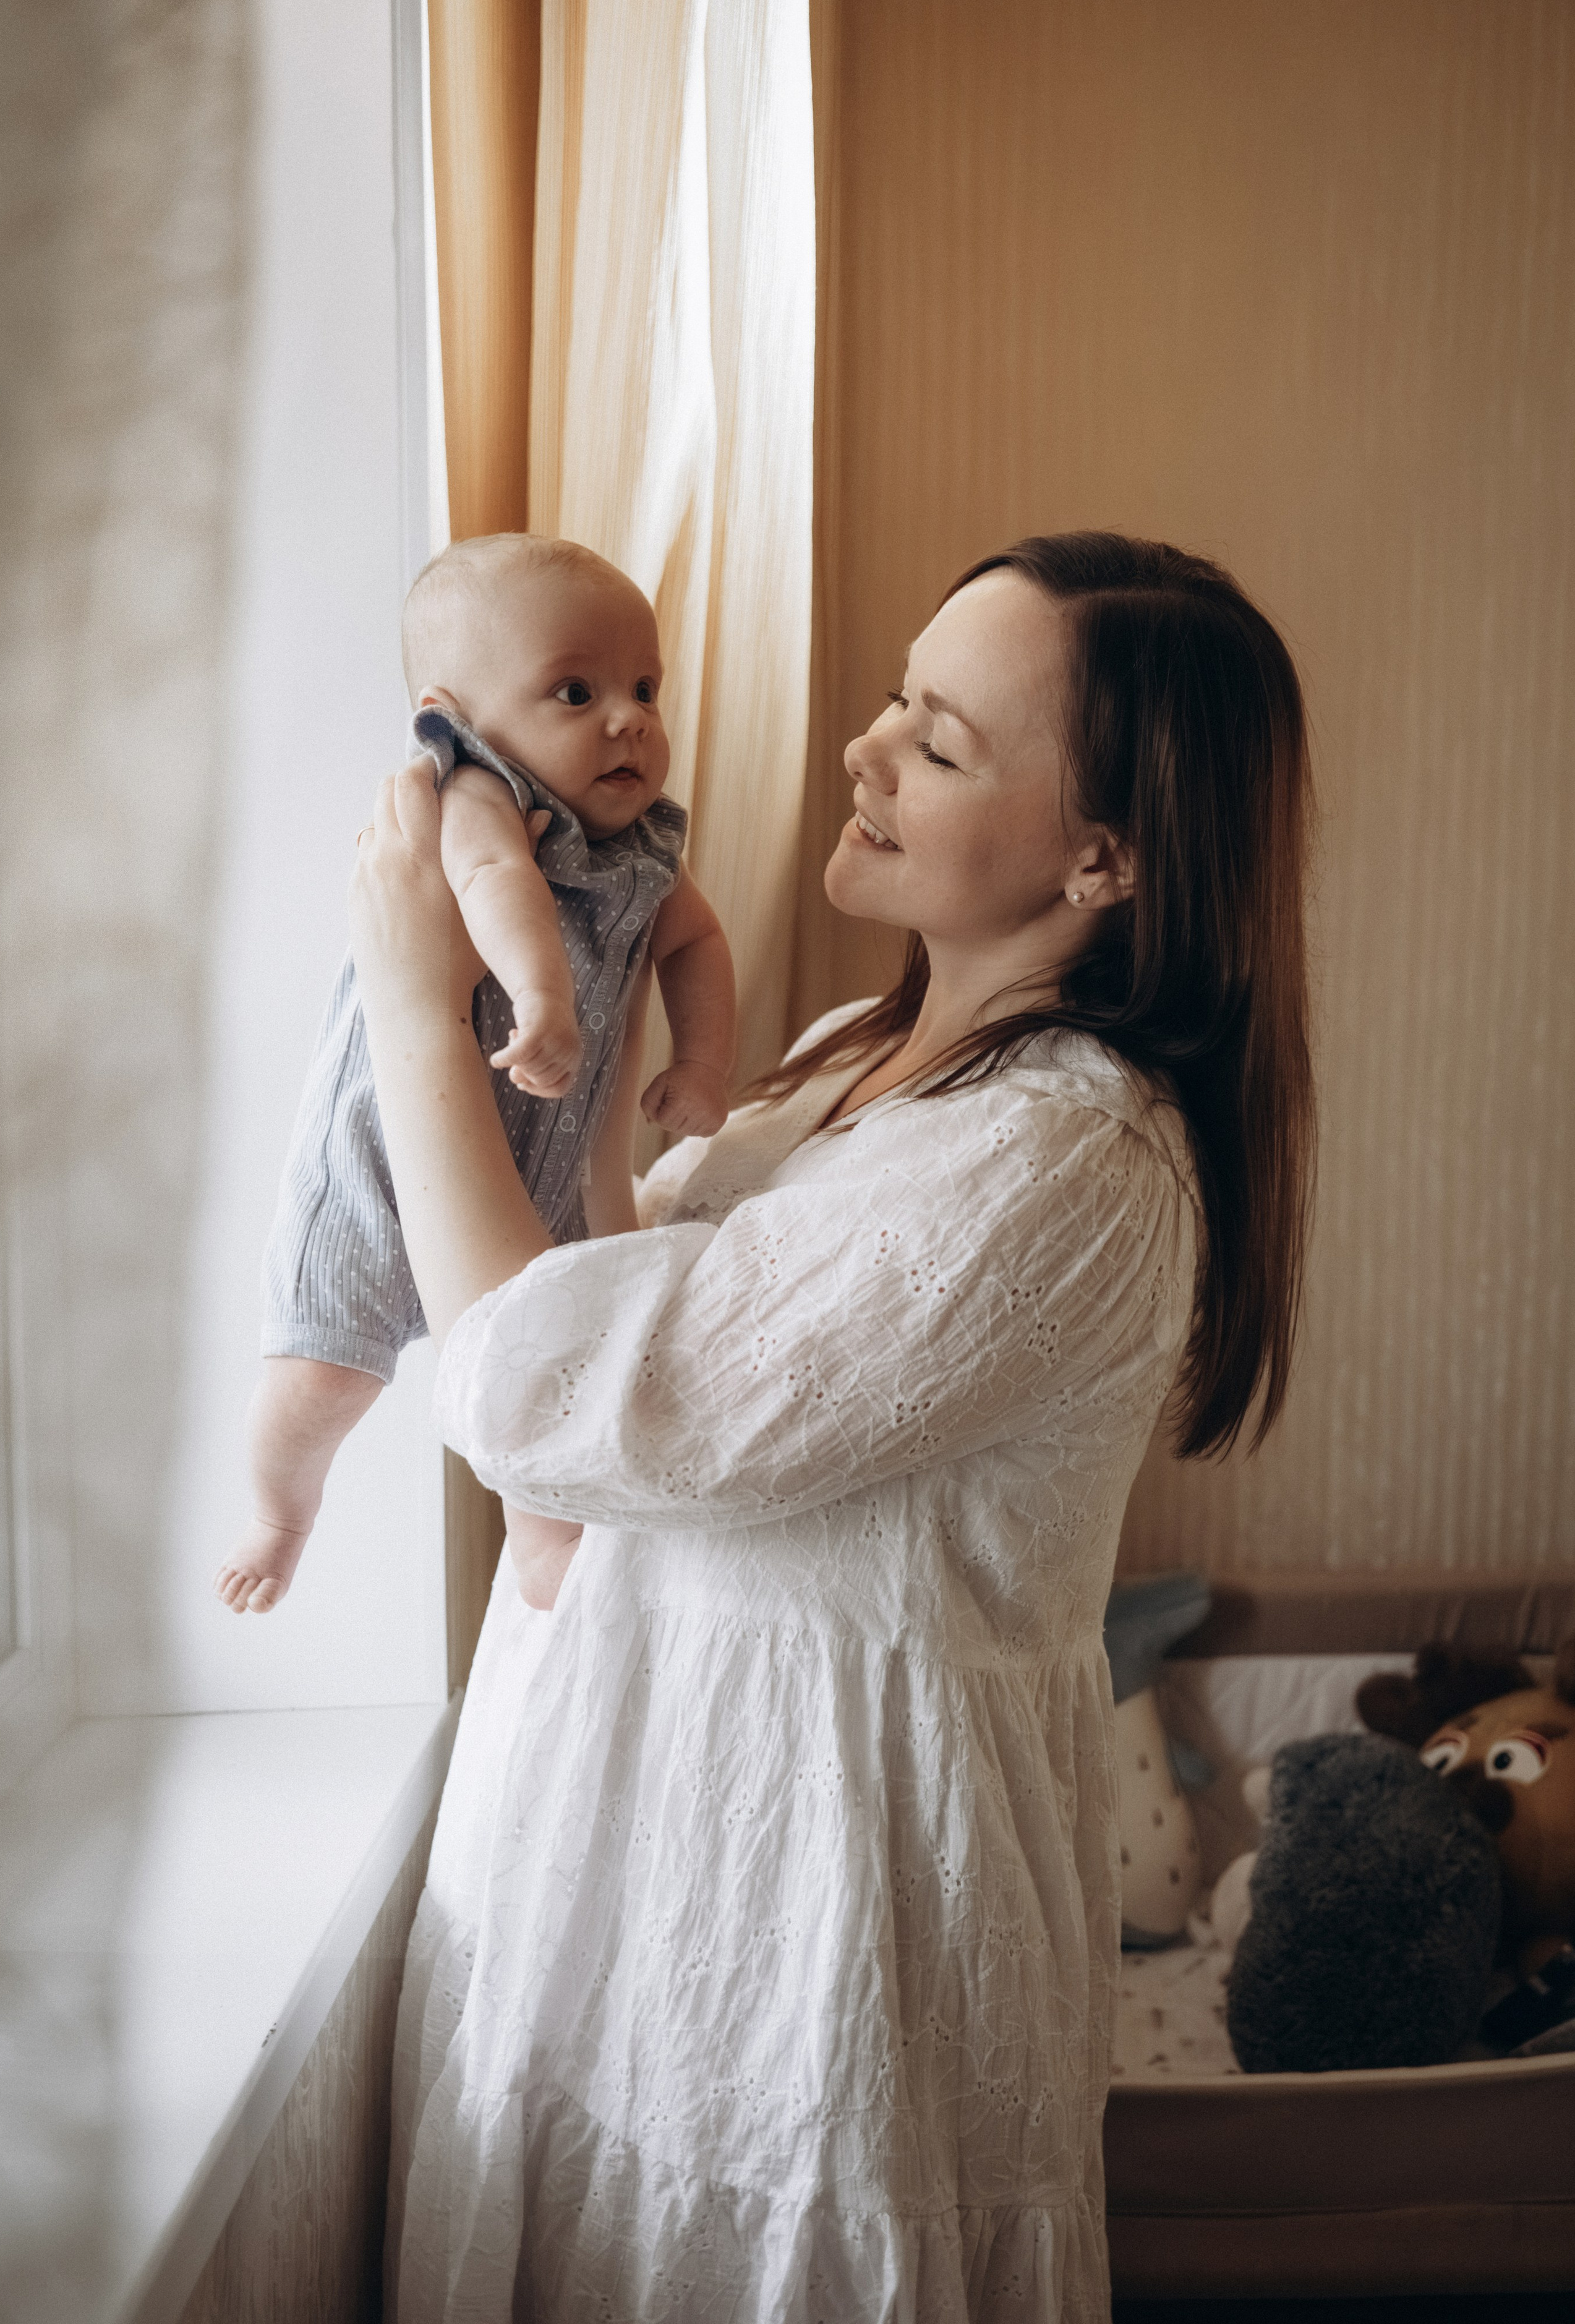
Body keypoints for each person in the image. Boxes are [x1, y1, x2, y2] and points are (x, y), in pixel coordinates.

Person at [360, 534, 1315, 2322]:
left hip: (807, 1950)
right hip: (621, 1868)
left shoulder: (1062, 1162)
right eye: (894, 696)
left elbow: (561, 1397)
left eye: (939, 741)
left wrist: (418, 1009)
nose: (868, 749)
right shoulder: (836, 1064)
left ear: (1106, 857)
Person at [215, 534, 736, 1619]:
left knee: (545, 1358)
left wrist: (702, 1063)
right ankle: (277, 1511)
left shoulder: (645, 848)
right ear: (455, 715)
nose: (628, 719)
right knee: (323, 1375)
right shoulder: (474, 794)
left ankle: (543, 1540)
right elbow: (498, 885)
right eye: (576, 690)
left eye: (644, 688)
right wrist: (543, 999)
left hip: (537, 1174)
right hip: (387, 1161)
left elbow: (697, 945)